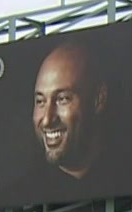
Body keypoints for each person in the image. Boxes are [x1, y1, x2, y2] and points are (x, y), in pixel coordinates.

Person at [31, 42, 109, 181]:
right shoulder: (18, 196)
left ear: (98, 99)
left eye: (63, 99)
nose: (48, 119)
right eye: (40, 101)